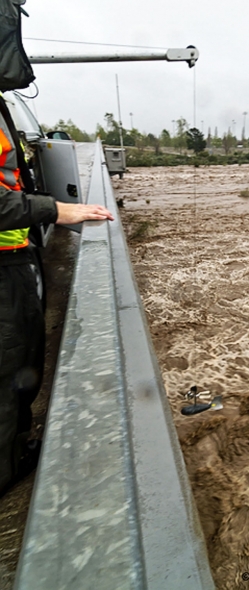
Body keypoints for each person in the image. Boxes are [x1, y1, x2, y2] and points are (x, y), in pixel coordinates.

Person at [0, 95, 114, 495]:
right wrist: (57, 210)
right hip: (3, 267)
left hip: (14, 256)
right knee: (8, 371)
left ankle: (15, 451)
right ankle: (8, 470)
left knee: (19, 365)